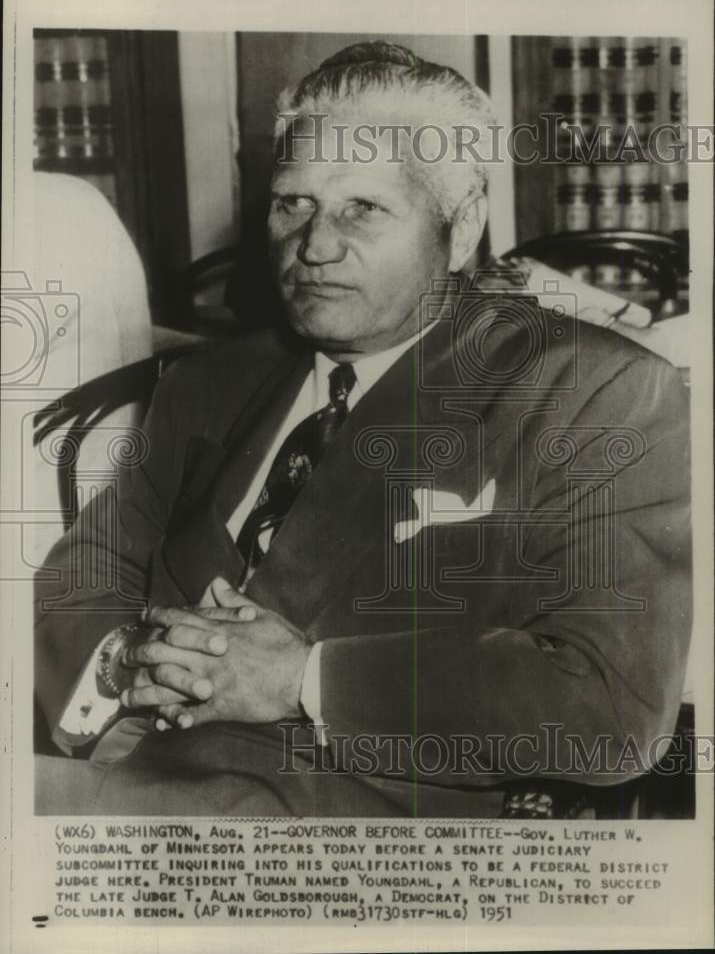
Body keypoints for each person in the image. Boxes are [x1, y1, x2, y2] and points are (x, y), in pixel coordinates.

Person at [34, 41, 691, 817]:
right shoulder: (210, 383)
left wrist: (302, 679)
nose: (313, 246)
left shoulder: (592, 390)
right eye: (293, 203)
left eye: (363, 208)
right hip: (113, 787)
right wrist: (126, 666)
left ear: (461, 224)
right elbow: (79, 578)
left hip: (352, 832)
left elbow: (611, 706)